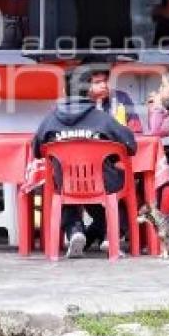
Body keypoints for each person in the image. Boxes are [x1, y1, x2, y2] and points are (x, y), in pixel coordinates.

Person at [33, 71, 137, 257]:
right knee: (129, 187)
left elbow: (36, 151)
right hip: (104, 182)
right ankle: (110, 236)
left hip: (66, 183)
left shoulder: (49, 120)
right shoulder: (103, 119)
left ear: (65, 91)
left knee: (62, 182)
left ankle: (75, 231)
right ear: (88, 91)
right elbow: (131, 145)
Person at [84, 66, 144, 134]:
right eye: (97, 82)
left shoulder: (122, 98)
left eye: (105, 80)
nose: (104, 85)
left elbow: (136, 132)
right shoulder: (79, 105)